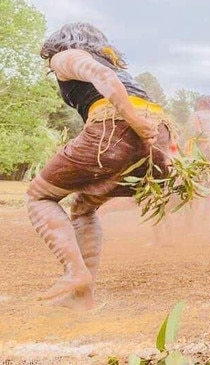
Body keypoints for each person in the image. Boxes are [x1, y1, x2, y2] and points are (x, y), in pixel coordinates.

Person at [27, 23, 172, 310]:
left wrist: (131, 118)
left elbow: (100, 75)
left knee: (38, 196)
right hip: (156, 139)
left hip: (119, 130)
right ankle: (82, 297)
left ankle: (75, 272)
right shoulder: (116, 66)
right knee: (82, 207)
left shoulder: (66, 57)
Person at [187, 95, 210, 161]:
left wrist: (208, 146)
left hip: (203, 147)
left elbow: (198, 132)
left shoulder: (196, 115)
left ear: (199, 103)